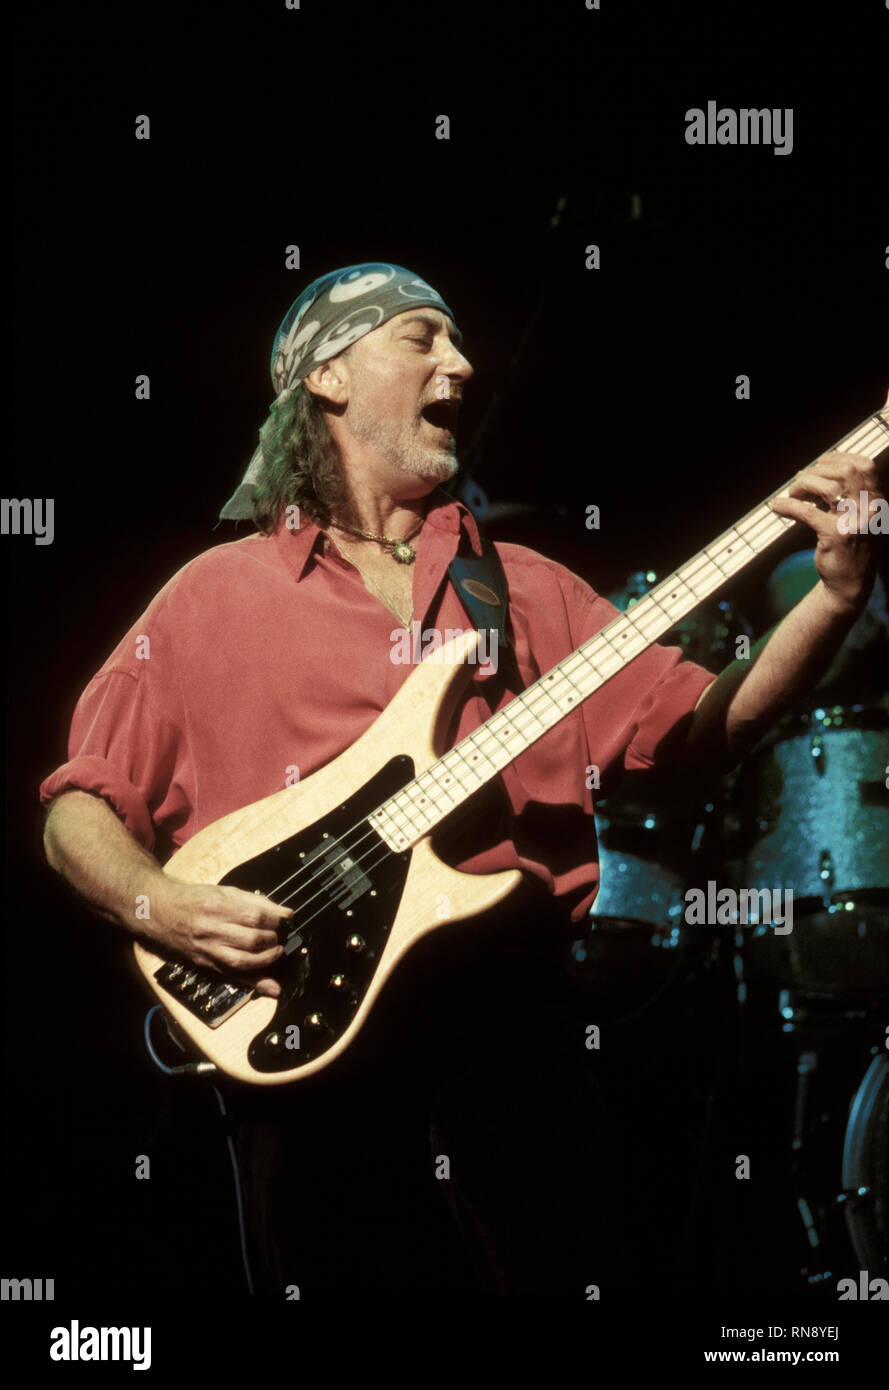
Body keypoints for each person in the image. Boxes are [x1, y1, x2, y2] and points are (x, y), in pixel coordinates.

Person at [39, 262, 884, 1297]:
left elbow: (702, 729)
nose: (463, 362)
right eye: (422, 338)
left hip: (510, 1038)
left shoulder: (520, 585)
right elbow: (81, 804)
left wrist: (832, 602)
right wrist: (160, 902)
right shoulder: (212, 597)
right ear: (329, 377)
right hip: (309, 1048)